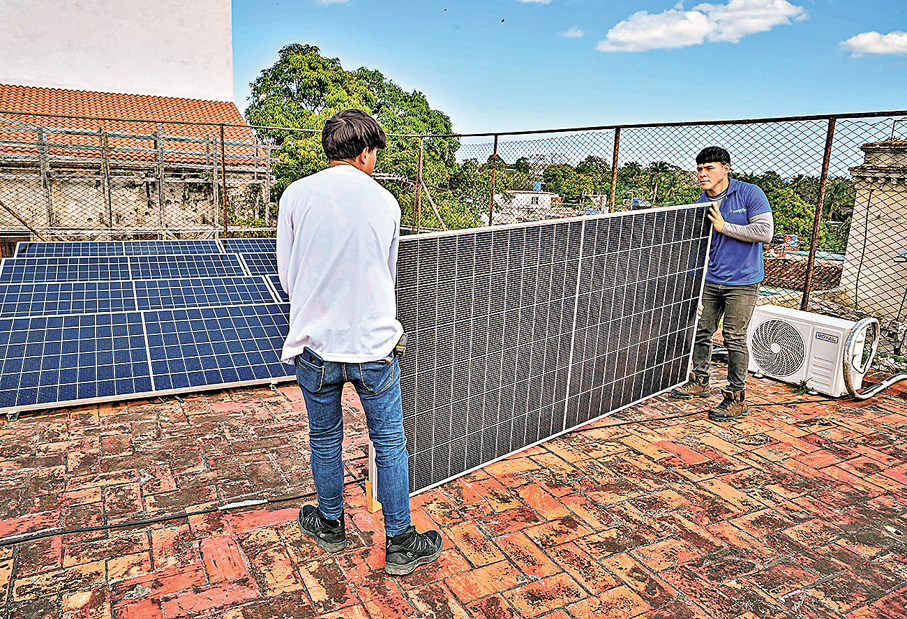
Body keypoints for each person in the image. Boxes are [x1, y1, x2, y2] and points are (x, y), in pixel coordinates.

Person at [276, 108, 442, 575]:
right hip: (374, 348)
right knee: (388, 443)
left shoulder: (296, 195)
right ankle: (401, 542)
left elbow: (287, 278)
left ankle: (329, 525)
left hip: (316, 347)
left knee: (325, 437)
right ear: (366, 152)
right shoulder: (386, 202)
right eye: (375, 152)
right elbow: (386, 277)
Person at [670, 146, 774, 421]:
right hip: (709, 279)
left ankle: (736, 397)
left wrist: (725, 227)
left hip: (743, 281)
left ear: (726, 169)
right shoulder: (700, 203)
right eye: (699, 169)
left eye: (709, 168)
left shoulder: (749, 193)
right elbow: (693, 246)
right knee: (700, 331)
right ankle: (700, 381)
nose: (702, 174)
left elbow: (765, 232)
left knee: (733, 338)